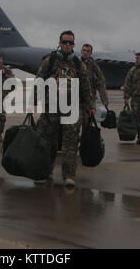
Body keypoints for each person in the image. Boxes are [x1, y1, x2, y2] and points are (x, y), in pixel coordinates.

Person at [35, 30, 96, 187]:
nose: (67, 45)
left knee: (70, 144)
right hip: (52, 108)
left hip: (72, 109)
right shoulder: (50, 61)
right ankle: (46, 171)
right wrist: (33, 102)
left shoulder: (78, 64)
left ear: (73, 45)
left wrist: (90, 107)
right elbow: (39, 80)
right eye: (65, 42)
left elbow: (86, 87)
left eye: (70, 42)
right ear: (60, 43)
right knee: (49, 142)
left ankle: (69, 176)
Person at [80, 43, 109, 129]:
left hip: (89, 99)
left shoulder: (93, 65)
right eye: (84, 50)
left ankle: (86, 141)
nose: (85, 52)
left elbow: (101, 83)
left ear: (91, 53)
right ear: (81, 51)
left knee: (88, 124)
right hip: (76, 98)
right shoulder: (76, 63)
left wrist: (105, 101)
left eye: (88, 51)